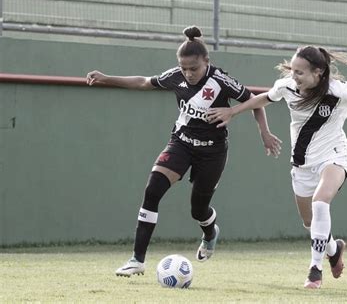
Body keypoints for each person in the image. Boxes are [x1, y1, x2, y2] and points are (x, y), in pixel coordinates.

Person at [86, 25, 282, 277]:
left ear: (206, 62)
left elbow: (256, 101)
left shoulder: (221, 81)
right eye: (183, 68)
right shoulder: (175, 76)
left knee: (198, 210)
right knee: (152, 189)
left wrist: (264, 133)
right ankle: (137, 260)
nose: (188, 73)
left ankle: (210, 231)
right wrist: (106, 78)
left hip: (212, 152)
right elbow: (145, 82)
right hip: (181, 143)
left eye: (194, 68)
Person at [207, 45, 347, 289]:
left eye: (300, 72)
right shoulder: (287, 86)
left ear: (318, 73)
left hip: (335, 156)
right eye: (293, 70)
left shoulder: (339, 91)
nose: (294, 76)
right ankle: (334, 248)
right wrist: (232, 111)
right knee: (311, 223)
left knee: (321, 202)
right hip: (302, 163)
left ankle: (315, 270)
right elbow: (265, 98)